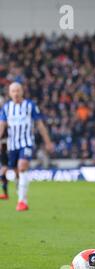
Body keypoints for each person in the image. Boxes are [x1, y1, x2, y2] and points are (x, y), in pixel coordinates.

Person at [0, 82, 54, 211]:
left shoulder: (30, 106)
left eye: (18, 90)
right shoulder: (7, 108)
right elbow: (1, 126)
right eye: (13, 91)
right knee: (17, 172)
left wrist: (48, 142)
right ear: (9, 93)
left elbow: (39, 125)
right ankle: (20, 192)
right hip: (12, 144)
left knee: (22, 167)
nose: (16, 93)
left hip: (27, 142)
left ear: (22, 91)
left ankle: (22, 202)